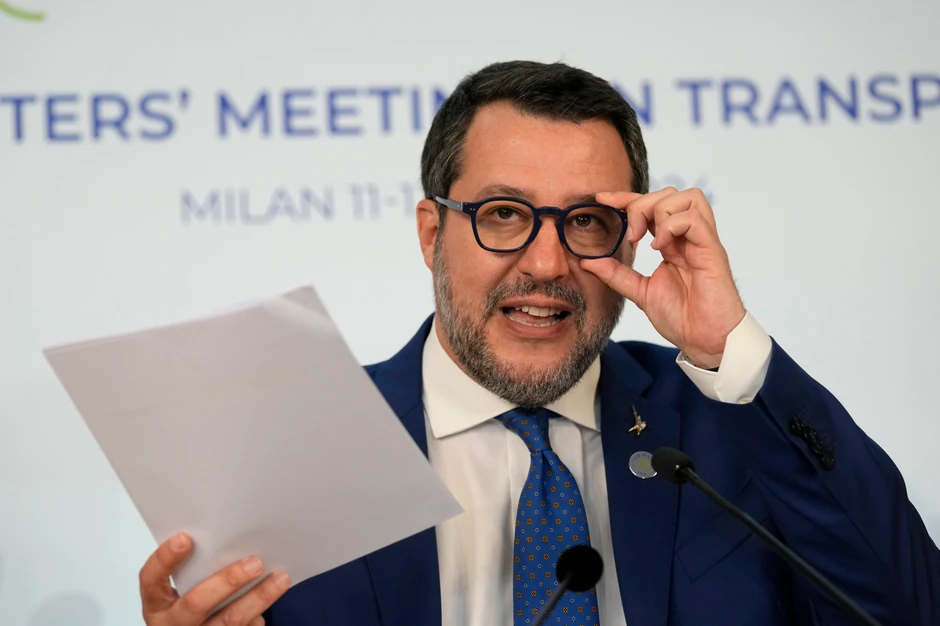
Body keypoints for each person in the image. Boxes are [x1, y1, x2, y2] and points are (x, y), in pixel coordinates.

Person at [136, 60, 940, 626]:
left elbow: (907, 608)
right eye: (504, 214)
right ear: (431, 234)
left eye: (586, 221)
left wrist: (733, 351)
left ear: (631, 238)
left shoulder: (729, 419)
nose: (548, 264)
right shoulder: (293, 450)